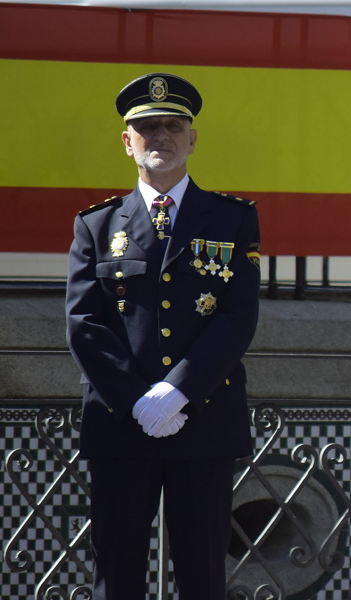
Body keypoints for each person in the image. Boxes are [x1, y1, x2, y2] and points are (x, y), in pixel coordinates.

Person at [65, 73, 260, 598]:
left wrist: (179, 391)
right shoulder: (97, 225)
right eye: (147, 128)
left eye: (172, 126)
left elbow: (237, 315)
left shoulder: (232, 219)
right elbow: (85, 324)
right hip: (119, 425)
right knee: (117, 570)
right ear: (127, 143)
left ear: (192, 138)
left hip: (204, 419)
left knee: (202, 572)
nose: (161, 137)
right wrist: (136, 401)